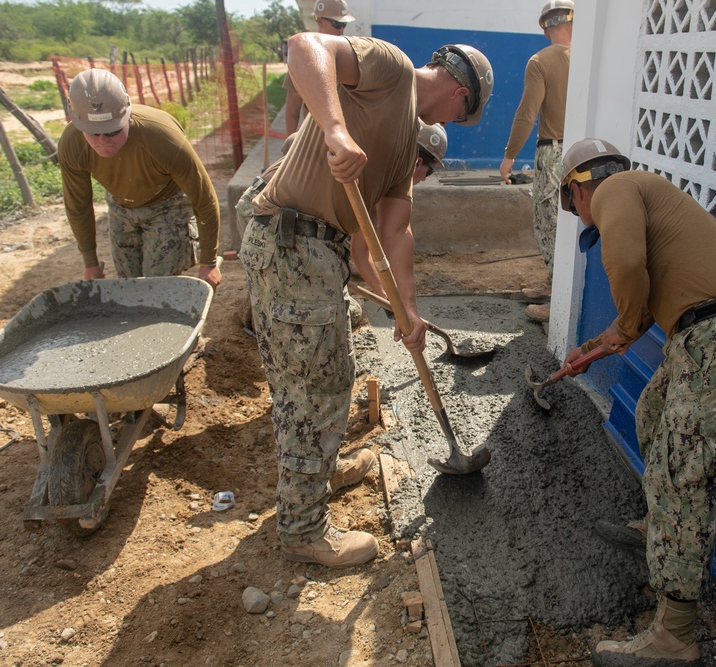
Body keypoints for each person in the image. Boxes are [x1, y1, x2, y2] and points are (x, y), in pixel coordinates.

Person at [239, 34, 493, 568]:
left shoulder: (404, 144)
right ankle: (304, 529)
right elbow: (305, 45)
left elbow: (396, 232)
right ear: (459, 95)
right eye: (465, 114)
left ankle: (317, 474)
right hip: (293, 241)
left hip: (316, 250)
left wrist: (409, 308)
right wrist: (333, 129)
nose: (458, 120)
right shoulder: (394, 69)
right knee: (313, 387)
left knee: (328, 377)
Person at [557, 139, 716, 666]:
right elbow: (647, 295)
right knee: (654, 414)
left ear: (577, 188)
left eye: (571, 206)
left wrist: (627, 325)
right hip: (709, 333)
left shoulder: (614, 189)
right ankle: (661, 529)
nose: (579, 214)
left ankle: (674, 638)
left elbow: (627, 263)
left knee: (681, 479)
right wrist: (595, 347)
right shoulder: (647, 194)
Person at [58, 69, 222, 289]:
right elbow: (78, 206)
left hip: (168, 205)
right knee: (130, 287)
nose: (103, 140)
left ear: (127, 117)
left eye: (112, 131)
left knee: (158, 285)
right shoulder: (72, 144)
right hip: (121, 206)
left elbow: (204, 198)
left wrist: (209, 261)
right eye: (94, 133)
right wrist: (91, 262)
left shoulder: (162, 137)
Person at [498, 0, 573, 322]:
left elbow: (527, 114)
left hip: (553, 152)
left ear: (545, 29)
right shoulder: (589, 59)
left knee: (549, 225)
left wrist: (509, 155)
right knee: (571, 223)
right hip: (584, 153)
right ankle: (555, 283)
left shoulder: (540, 61)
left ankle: (557, 303)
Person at [352, 121, 449, 297]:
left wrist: (387, 295)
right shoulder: (375, 177)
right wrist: (394, 298)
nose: (426, 179)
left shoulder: (385, 180)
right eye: (430, 172)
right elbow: (362, 249)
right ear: (417, 162)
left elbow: (361, 250)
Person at [283, 0, 356, 135]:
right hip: (315, 140)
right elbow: (293, 111)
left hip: (347, 140)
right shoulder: (303, 59)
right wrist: (290, 148)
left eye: (343, 24)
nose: (341, 29)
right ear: (320, 21)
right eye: (336, 24)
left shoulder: (350, 56)